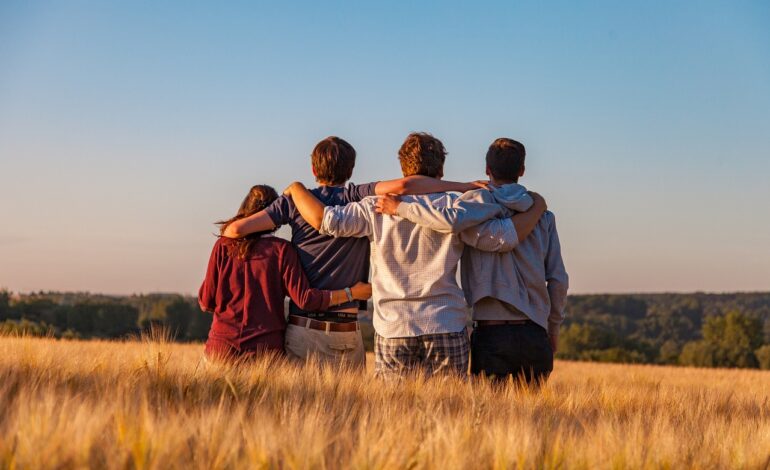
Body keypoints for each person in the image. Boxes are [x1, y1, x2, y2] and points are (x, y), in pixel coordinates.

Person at [283, 132, 547, 379]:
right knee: (449, 415)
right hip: (446, 322)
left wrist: (296, 189)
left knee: (394, 416)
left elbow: (327, 221)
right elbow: (501, 238)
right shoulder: (457, 206)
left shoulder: (374, 207)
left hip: (394, 327)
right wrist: (537, 208)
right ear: (441, 170)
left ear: (403, 168)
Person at [221, 136, 483, 368]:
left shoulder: (294, 202)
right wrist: (464, 186)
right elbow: (405, 187)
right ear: (351, 169)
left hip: (303, 328)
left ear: (314, 169)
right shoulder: (358, 196)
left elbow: (234, 231)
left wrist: (292, 194)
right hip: (348, 330)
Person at [377, 138, 568, 385]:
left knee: (487, 418)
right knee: (534, 419)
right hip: (535, 332)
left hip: (490, 333)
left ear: (487, 170)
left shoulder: (471, 208)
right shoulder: (543, 216)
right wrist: (553, 328)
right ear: (521, 171)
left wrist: (401, 208)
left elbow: (448, 221)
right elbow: (558, 280)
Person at [198, 184, 372, 363]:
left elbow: (206, 301)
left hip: (221, 349)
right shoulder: (282, 250)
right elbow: (305, 299)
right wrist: (351, 293)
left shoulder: (223, 246)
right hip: (265, 353)